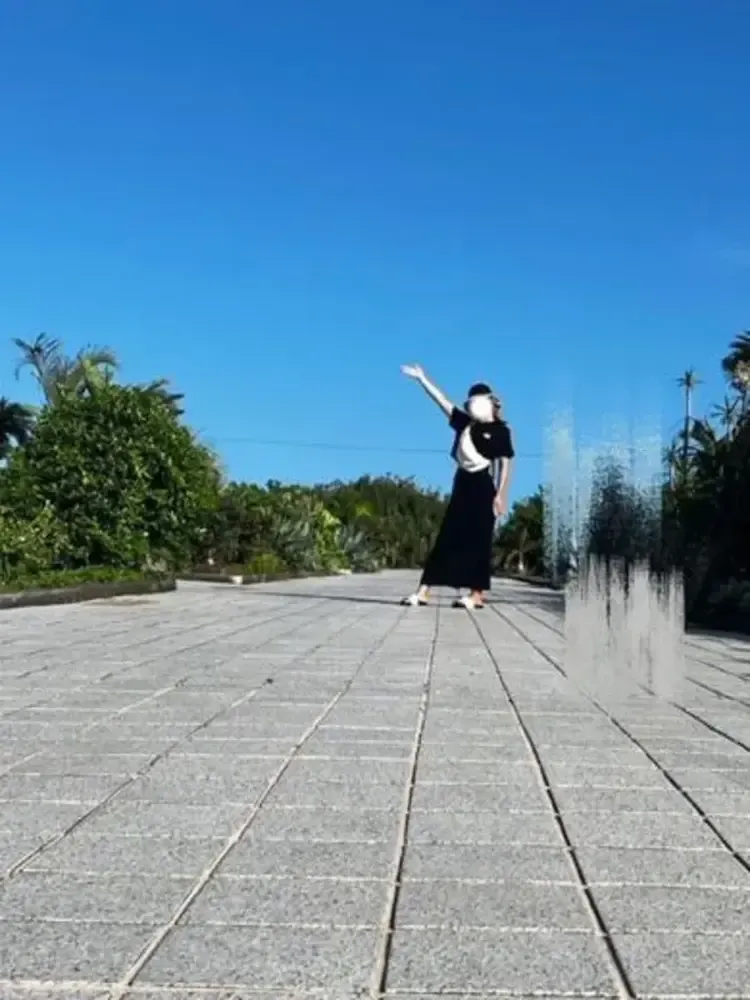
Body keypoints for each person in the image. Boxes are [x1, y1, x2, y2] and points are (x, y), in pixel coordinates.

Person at [400, 364, 514, 610]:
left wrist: (499, 494)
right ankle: (423, 591)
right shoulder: (464, 423)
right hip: (462, 482)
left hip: (483, 485)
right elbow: (441, 401)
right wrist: (422, 379)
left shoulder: (500, 431)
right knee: (448, 536)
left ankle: (476, 594)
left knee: (479, 540)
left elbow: (504, 463)